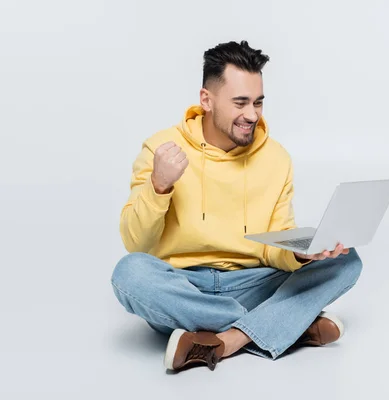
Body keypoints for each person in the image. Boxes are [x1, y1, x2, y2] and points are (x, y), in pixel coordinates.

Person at [110, 40, 363, 372]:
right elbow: (136, 243)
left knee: (347, 261)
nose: (252, 114)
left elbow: (275, 243)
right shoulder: (161, 148)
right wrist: (159, 186)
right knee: (129, 274)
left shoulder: (276, 158)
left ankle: (227, 340)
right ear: (207, 100)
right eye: (240, 102)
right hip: (185, 289)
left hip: (252, 283)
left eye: (258, 102)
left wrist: (301, 252)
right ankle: (284, 325)